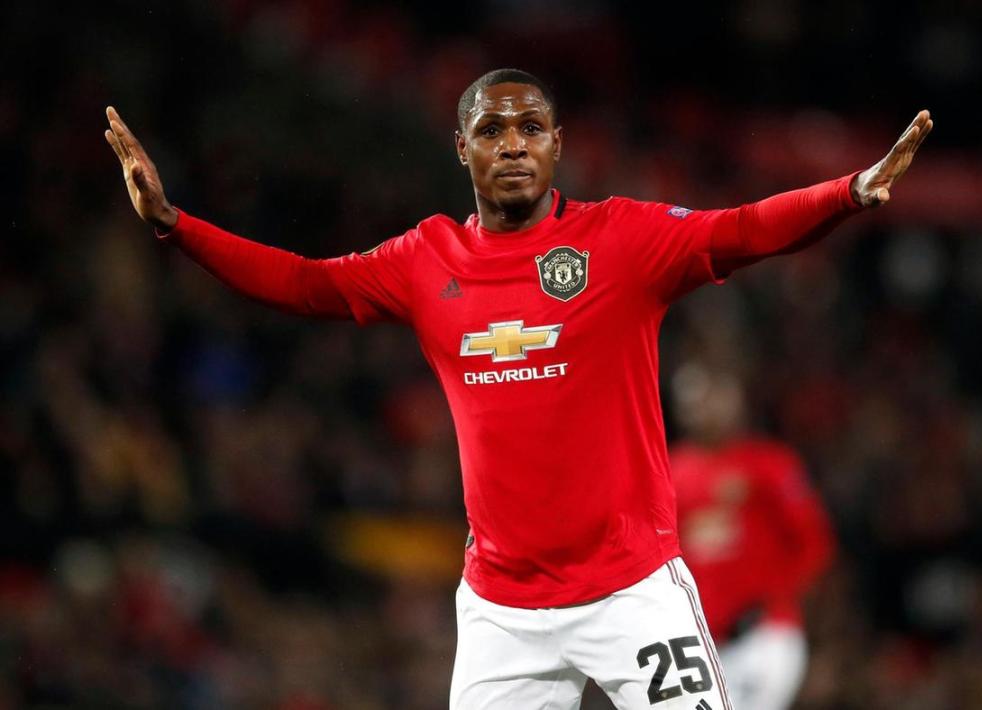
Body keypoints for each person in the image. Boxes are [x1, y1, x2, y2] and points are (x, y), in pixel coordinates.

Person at [104, 68, 932, 710]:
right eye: (491, 129)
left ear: (557, 145)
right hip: (503, 611)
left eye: (530, 127)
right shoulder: (423, 260)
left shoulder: (620, 240)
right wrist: (176, 226)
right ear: (460, 148)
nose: (511, 144)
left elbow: (741, 229)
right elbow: (304, 283)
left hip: (632, 591)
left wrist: (849, 193)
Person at [669, 363, 835, 710]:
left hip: (764, 632)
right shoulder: (669, 470)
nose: (703, 409)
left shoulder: (769, 464)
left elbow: (814, 543)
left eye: (712, 398)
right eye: (692, 401)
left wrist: (778, 598)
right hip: (701, 642)